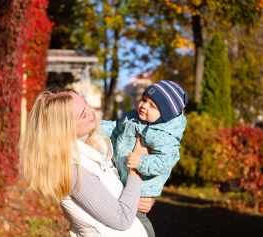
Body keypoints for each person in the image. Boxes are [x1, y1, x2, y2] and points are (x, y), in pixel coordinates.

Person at [19, 87, 154, 236]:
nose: (92, 111)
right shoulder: (74, 170)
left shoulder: (92, 150)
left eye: (87, 104)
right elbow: (122, 219)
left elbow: (117, 195)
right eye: (84, 114)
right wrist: (137, 167)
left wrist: (139, 200)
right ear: (65, 128)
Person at [100, 80, 189, 237]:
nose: (143, 106)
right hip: (121, 176)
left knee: (138, 218)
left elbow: (166, 160)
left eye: (152, 106)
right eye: (144, 100)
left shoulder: (164, 136)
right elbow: (115, 129)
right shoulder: (132, 118)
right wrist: (96, 127)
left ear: (165, 115)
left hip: (143, 187)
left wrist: (141, 162)